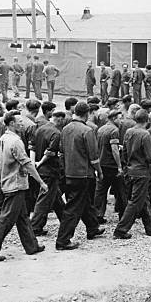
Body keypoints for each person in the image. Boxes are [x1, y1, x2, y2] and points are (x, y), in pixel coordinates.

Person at [0, 111, 47, 262]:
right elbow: (27, 163)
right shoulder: (16, 141)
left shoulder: (4, 138)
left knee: (22, 217)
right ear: (11, 124)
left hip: (8, 181)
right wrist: (41, 182)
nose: (22, 123)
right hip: (16, 184)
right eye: (19, 122)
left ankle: (31, 246)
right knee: (6, 218)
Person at [56, 102, 104, 250]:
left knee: (85, 202)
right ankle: (63, 240)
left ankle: (92, 227)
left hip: (69, 172)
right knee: (73, 207)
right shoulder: (87, 131)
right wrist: (99, 171)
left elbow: (61, 151)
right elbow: (94, 156)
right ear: (87, 114)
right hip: (83, 174)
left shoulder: (65, 129)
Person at [114, 109, 151, 239]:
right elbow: (150, 156)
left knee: (143, 198)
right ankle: (121, 229)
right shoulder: (145, 134)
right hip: (141, 172)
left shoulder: (129, 132)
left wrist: (125, 166)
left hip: (130, 170)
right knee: (135, 201)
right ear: (148, 120)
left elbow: (123, 151)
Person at [30, 110, 66, 235]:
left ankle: (65, 219)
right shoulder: (56, 133)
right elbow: (50, 152)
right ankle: (34, 226)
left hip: (41, 169)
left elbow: (32, 147)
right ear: (60, 119)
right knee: (44, 199)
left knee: (56, 196)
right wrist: (40, 162)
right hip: (50, 169)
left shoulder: (39, 129)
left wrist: (34, 163)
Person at [93, 109, 126, 223]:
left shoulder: (100, 129)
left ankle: (98, 214)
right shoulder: (114, 130)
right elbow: (114, 150)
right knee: (121, 191)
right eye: (119, 118)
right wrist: (119, 166)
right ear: (113, 119)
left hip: (102, 163)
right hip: (112, 165)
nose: (121, 121)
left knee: (100, 191)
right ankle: (123, 216)